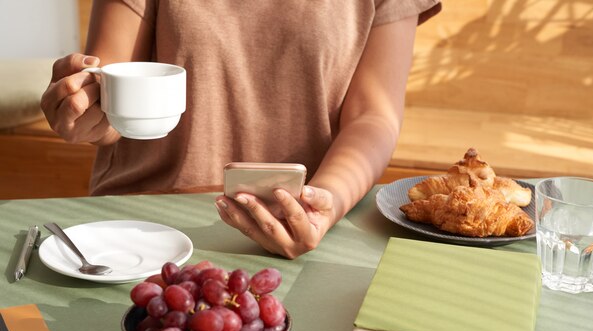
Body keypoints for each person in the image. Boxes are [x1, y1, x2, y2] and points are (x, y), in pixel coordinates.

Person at [40, 0, 442, 259]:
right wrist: (82, 108)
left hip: (295, 228)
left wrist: (326, 203)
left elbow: (374, 116)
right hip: (138, 232)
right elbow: (112, 92)